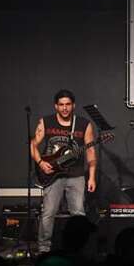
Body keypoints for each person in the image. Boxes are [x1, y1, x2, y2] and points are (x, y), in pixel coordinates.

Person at [30, 89, 97, 253]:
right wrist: (40, 163)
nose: (65, 108)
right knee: (48, 213)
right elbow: (33, 145)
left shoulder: (83, 124)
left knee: (78, 214)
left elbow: (90, 151)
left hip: (76, 175)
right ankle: (43, 249)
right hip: (52, 175)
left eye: (68, 104)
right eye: (61, 105)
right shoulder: (46, 122)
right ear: (56, 106)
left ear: (73, 105)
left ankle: (79, 249)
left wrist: (92, 177)